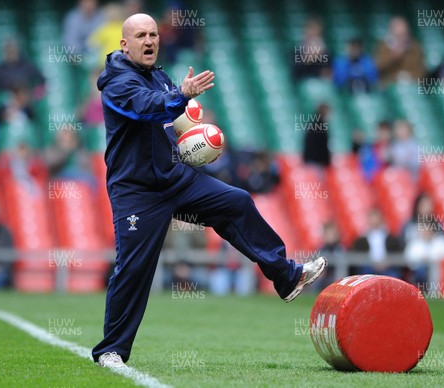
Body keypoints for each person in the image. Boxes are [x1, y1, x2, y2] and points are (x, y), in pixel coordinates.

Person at [92, 13, 327, 368]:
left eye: (154, 34)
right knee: (135, 267)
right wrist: (180, 95)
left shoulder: (158, 75)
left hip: (174, 178)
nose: (150, 41)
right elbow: (147, 107)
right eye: (141, 35)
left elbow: (172, 118)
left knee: (236, 201)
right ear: (124, 44)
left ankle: (286, 275)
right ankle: (111, 351)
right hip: (136, 191)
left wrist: (196, 131)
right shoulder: (116, 82)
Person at [351, 208, 403, 278]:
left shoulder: (391, 239)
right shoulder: (361, 240)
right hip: (368, 267)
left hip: (388, 267)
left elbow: (397, 254)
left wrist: (387, 262)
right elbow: (357, 256)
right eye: (372, 217)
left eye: (376, 217)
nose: (374, 220)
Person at [375, 17, 425, 88]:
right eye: (398, 35)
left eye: (403, 34)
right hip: (389, 86)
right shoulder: (383, 46)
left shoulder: (415, 47)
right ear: (392, 33)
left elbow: (421, 71)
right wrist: (393, 57)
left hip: (412, 85)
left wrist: (409, 78)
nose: (401, 38)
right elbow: (379, 69)